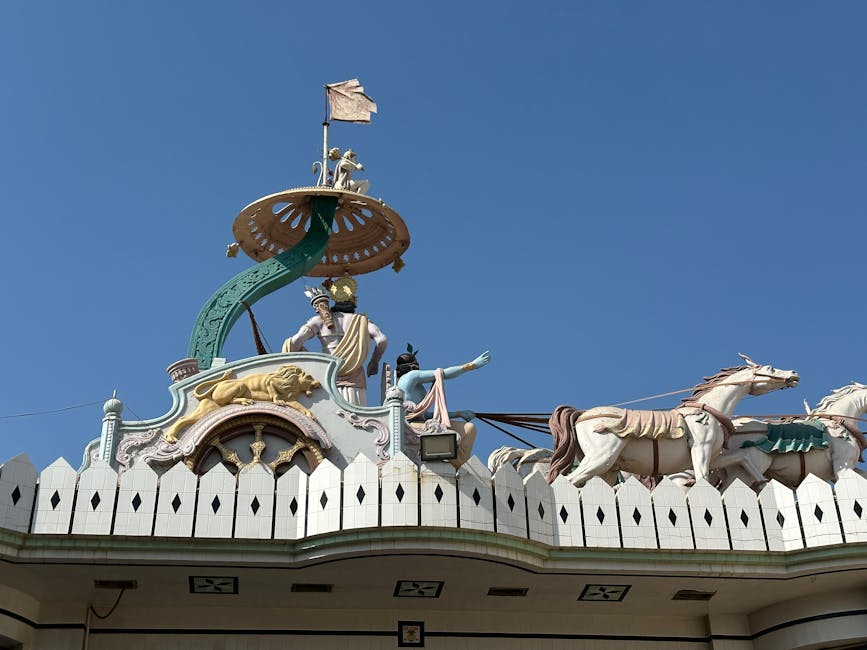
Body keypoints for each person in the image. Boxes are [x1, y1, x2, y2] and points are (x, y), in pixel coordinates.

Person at [283, 278, 386, 406]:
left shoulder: (318, 321)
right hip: (354, 376)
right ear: (353, 300)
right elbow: (381, 340)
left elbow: (294, 342)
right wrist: (374, 362)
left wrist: (306, 360)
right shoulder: (363, 321)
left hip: (326, 372)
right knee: (355, 419)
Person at [396, 347, 491, 467]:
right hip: (412, 426)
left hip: (422, 422)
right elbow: (443, 373)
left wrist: (458, 413)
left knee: (469, 429)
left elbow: (423, 414)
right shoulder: (411, 376)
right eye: (416, 365)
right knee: (450, 436)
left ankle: (459, 466)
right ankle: (456, 468)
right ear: (412, 366)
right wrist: (472, 365)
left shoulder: (415, 386)